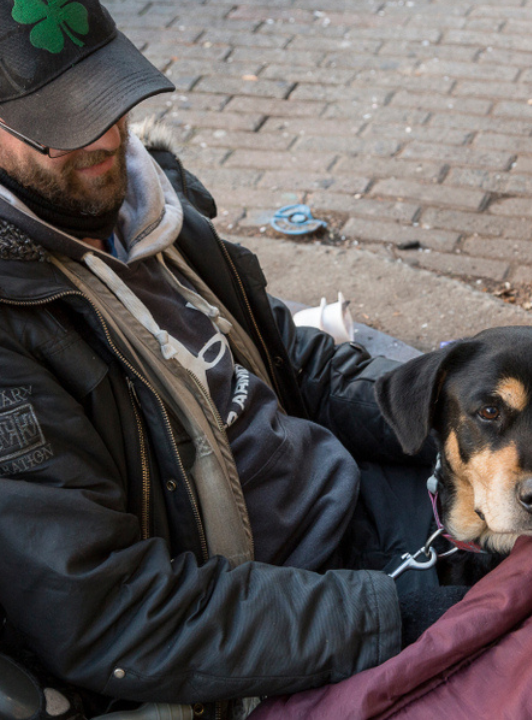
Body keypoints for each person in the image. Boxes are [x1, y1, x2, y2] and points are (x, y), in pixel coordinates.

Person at [0, 3, 462, 717]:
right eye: (59, 124)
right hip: (269, 615)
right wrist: (389, 612)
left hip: (354, 503)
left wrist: (446, 411)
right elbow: (116, 613)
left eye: (106, 97)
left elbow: (288, 354)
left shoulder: (146, 204)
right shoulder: (14, 337)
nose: (102, 135)